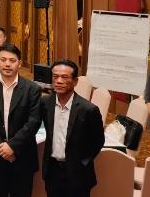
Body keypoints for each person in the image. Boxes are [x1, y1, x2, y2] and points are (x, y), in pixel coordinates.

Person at [0, 43, 41, 197]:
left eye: (12, 60)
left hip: (22, 156)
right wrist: (1, 146)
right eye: (3, 59)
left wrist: (12, 146)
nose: (7, 64)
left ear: (19, 63)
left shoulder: (32, 88)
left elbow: (34, 121)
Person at [41, 59, 105, 197]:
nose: (59, 81)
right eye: (55, 77)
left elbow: (98, 141)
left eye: (64, 77)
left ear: (75, 81)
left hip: (78, 173)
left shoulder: (88, 109)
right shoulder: (45, 103)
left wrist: (83, 162)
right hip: (52, 171)